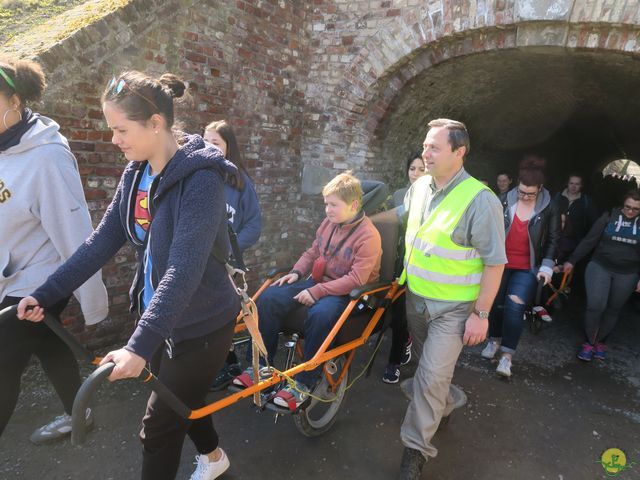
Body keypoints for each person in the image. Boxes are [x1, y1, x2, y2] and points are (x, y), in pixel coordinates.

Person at [17, 70, 241, 480]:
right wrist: (47, 294)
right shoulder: (137, 173)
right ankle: (213, 457)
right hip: (160, 318)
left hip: (201, 325)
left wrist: (138, 346)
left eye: (121, 129)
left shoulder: (202, 181)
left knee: (157, 427)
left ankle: (208, 457)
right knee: (177, 400)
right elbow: (99, 243)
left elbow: (183, 268)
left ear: (156, 124)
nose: (114, 139)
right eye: (111, 129)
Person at [0, 57, 108, 443]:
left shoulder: (48, 157)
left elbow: (76, 233)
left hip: (41, 281)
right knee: (49, 344)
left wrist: (92, 302)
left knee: (3, 363)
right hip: (9, 274)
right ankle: (80, 414)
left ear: (15, 101)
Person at [398, 119, 506, 479]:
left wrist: (482, 313)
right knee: (430, 375)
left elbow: (494, 263)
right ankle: (443, 405)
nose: (425, 153)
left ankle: (414, 453)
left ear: (459, 152)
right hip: (417, 301)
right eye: (425, 146)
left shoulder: (481, 200)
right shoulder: (419, 189)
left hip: (455, 311)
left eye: (434, 148)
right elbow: (403, 227)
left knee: (429, 378)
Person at [232, 172, 382, 410]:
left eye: (333, 205)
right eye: (326, 204)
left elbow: (356, 279)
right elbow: (314, 252)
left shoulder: (369, 236)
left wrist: (318, 291)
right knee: (269, 296)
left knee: (320, 315)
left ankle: (305, 382)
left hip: (347, 293)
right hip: (319, 282)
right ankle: (262, 366)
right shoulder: (329, 224)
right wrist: (297, 272)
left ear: (353, 205)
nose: (327, 210)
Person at [481, 156, 560, 377]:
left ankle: (507, 357)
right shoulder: (505, 199)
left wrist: (546, 265)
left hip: (527, 266)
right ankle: (494, 341)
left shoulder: (549, 206)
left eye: (530, 194)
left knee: (514, 307)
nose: (524, 197)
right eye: (522, 192)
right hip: (500, 263)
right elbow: (488, 228)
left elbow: (554, 238)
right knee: (496, 306)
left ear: (540, 189)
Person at [203, 120, 262, 390]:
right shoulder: (199, 176)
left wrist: (231, 251)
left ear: (228, 147)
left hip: (226, 266)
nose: (209, 147)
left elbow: (254, 225)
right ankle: (218, 362)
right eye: (205, 141)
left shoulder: (240, 182)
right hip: (200, 262)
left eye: (215, 143)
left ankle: (229, 365)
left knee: (223, 318)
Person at [564, 189, 640, 361]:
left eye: (635, 209)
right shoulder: (608, 217)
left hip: (628, 272)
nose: (630, 211)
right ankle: (589, 342)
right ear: (622, 204)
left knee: (614, 308)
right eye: (627, 207)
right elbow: (590, 240)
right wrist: (572, 260)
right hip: (600, 266)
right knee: (595, 305)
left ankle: (601, 341)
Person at [382, 150, 425, 384]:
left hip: (420, 264)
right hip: (395, 262)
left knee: (403, 316)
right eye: (412, 169)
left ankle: (394, 362)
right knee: (393, 312)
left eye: (421, 169)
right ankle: (404, 342)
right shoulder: (398, 195)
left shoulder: (434, 198)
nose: (416, 174)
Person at [553, 173, 598, 262]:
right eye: (571, 183)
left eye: (577, 184)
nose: (573, 186)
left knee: (568, 268)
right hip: (555, 239)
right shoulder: (557, 197)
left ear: (581, 186)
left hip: (575, 242)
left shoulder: (586, 201)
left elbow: (593, 222)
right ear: (567, 184)